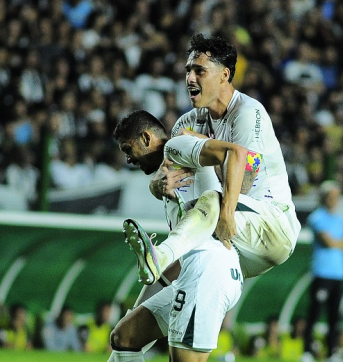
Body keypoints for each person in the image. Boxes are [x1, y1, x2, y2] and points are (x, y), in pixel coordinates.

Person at [51, 114, 273, 362]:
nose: (128, 159)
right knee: (125, 337)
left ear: (146, 137)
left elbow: (244, 157)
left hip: (211, 268)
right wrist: (161, 187)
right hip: (193, 271)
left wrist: (230, 197)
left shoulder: (179, 144)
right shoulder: (169, 184)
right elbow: (169, 270)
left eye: (129, 150)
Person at [121, 33, 301, 284]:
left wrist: (200, 142)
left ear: (225, 75)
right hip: (228, 233)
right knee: (146, 312)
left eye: (199, 71)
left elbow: (244, 183)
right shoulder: (186, 122)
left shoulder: (248, 114)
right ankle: (167, 264)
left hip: (271, 226)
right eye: (188, 71)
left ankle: (164, 254)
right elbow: (170, 176)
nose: (189, 79)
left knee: (209, 197)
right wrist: (157, 185)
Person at [300, 181, 343, 362]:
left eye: (337, 197)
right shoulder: (317, 217)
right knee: (315, 313)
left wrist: (336, 243)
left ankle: (332, 354)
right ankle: (307, 352)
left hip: (339, 274)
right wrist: (339, 243)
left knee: (335, 316)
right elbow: (329, 242)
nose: (335, 200)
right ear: (324, 197)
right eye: (331, 196)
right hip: (322, 272)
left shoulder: (340, 220)